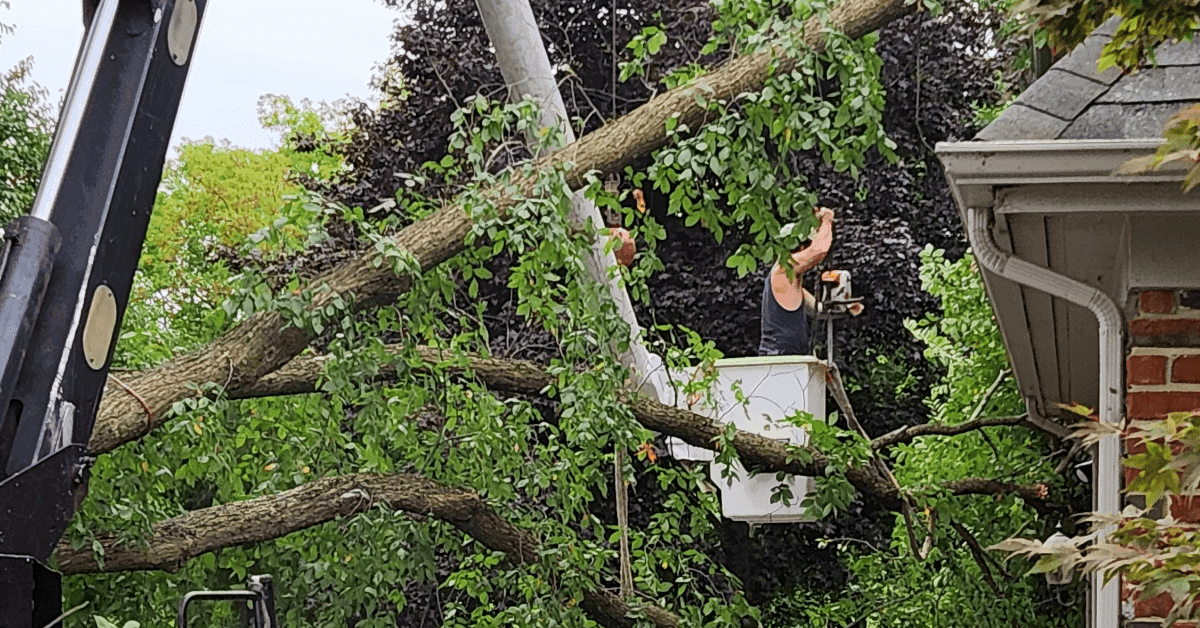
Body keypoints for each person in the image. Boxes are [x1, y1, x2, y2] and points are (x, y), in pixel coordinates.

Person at [759, 206, 835, 356]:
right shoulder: (782, 272)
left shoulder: (791, 284)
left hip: (788, 356)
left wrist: (845, 307)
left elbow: (818, 310)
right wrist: (826, 220)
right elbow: (819, 250)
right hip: (779, 357)